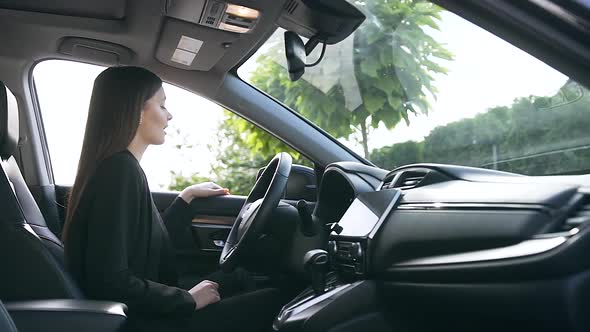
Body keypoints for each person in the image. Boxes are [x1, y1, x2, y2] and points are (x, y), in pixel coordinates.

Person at [62, 66, 281, 332]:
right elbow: (109, 280)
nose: (170, 115)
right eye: (162, 105)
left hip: (146, 310)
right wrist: (187, 299)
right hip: (142, 321)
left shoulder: (120, 168)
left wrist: (185, 199)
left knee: (238, 277)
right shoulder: (119, 171)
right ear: (137, 111)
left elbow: (144, 247)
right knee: (276, 301)